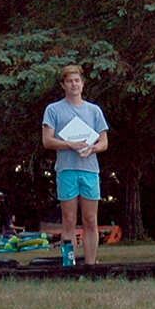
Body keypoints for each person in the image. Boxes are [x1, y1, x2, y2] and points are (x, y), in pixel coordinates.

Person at [40, 64, 110, 265]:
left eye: (77, 80)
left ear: (83, 84)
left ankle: (90, 265)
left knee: (90, 220)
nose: (74, 84)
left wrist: (92, 148)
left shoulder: (94, 111)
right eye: (69, 81)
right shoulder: (53, 110)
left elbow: (104, 142)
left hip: (89, 170)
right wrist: (69, 144)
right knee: (69, 220)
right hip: (66, 169)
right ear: (63, 84)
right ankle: (69, 264)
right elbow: (47, 141)